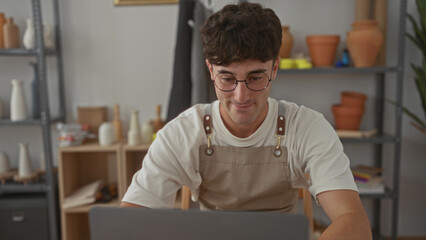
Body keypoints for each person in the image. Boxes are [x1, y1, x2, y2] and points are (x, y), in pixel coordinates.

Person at [121, 2, 372, 239]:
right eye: (227, 78)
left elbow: (354, 222)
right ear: (210, 70)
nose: (241, 97)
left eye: (255, 77)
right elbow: (130, 222)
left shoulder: (308, 128)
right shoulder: (183, 132)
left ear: (274, 68)